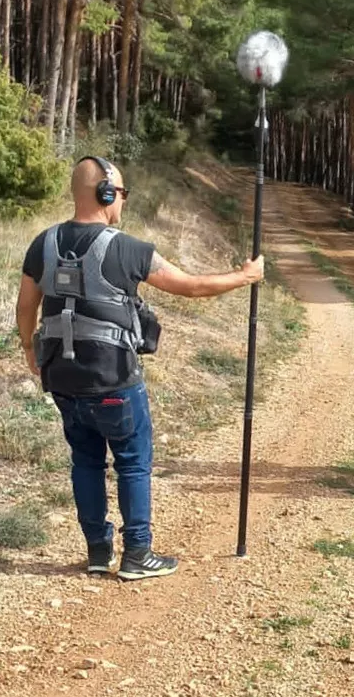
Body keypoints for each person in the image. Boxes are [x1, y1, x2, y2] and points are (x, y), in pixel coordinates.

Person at [15, 156, 265, 580]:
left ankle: (98, 553)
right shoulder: (126, 248)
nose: (123, 201)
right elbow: (192, 287)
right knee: (132, 462)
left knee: (86, 462)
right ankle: (137, 554)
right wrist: (245, 277)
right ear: (106, 194)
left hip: (63, 379)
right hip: (114, 380)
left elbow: (26, 307)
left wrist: (29, 349)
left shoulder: (44, 243)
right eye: (121, 193)